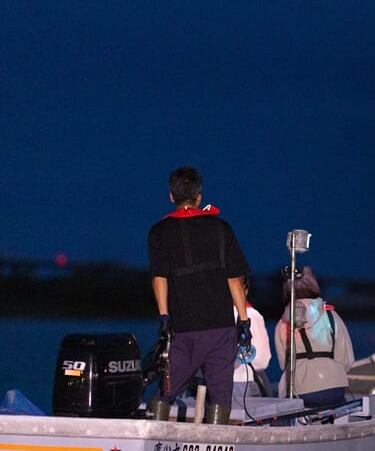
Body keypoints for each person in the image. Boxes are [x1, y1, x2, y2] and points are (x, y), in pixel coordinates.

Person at [147, 166, 252, 424]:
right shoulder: (221, 228)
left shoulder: (159, 232)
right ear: (199, 196)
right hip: (220, 329)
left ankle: (153, 443)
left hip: (184, 329)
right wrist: (244, 320)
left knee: (166, 391)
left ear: (171, 195)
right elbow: (234, 279)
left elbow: (159, 277)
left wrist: (164, 316)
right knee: (221, 397)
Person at [273, 267, 354, 408]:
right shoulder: (331, 316)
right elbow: (347, 359)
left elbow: (283, 364)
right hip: (333, 387)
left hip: (299, 391)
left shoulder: (282, 324)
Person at [232, 274, 272, 399]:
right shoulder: (252, 315)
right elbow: (261, 360)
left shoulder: (214, 316)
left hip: (216, 381)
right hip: (243, 382)